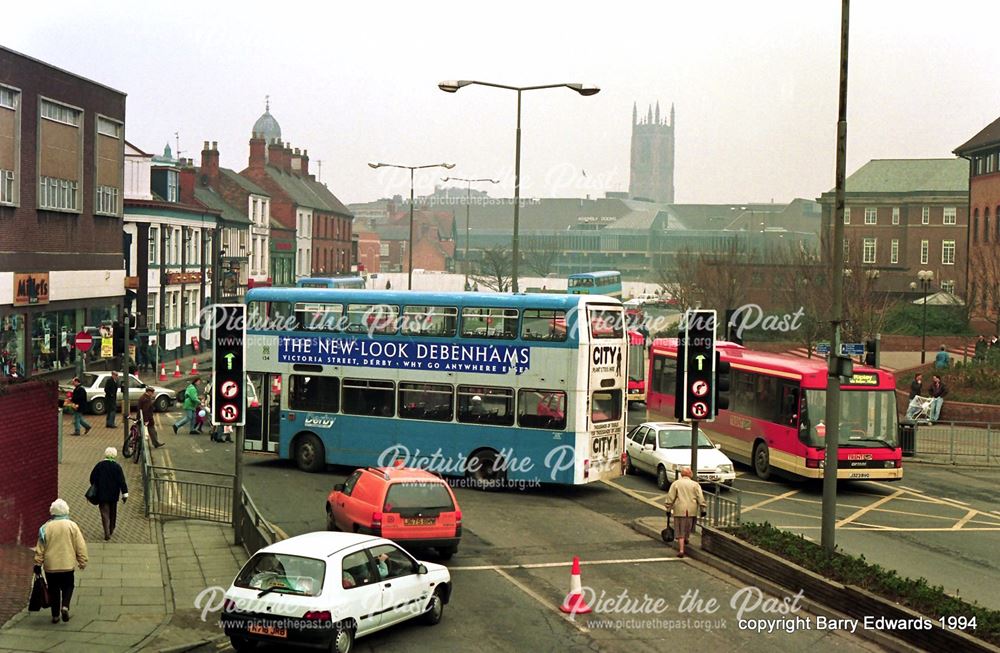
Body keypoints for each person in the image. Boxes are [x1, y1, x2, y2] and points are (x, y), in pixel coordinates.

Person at [33, 499, 87, 624]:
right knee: (68, 586)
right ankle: (65, 606)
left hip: (50, 566)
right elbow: (80, 545)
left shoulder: (45, 527)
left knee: (53, 589)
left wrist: (37, 563)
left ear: (52, 511)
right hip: (67, 565)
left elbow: (40, 548)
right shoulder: (72, 526)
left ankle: (55, 615)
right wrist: (82, 560)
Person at [663, 467, 706, 558]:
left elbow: (670, 497)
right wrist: (703, 509)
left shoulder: (676, 483)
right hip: (692, 510)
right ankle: (686, 538)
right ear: (690, 474)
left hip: (679, 509)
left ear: (682, 474)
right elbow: (700, 497)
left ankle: (681, 550)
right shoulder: (695, 485)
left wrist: (668, 509)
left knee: (679, 530)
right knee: (688, 527)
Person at [89, 447, 129, 541]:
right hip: (113, 495)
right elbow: (122, 481)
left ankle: (106, 531)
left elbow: (92, 477)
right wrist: (125, 494)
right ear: (114, 456)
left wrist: (96, 485)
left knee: (104, 513)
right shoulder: (117, 467)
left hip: (102, 494)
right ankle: (111, 528)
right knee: (113, 512)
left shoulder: (99, 465)